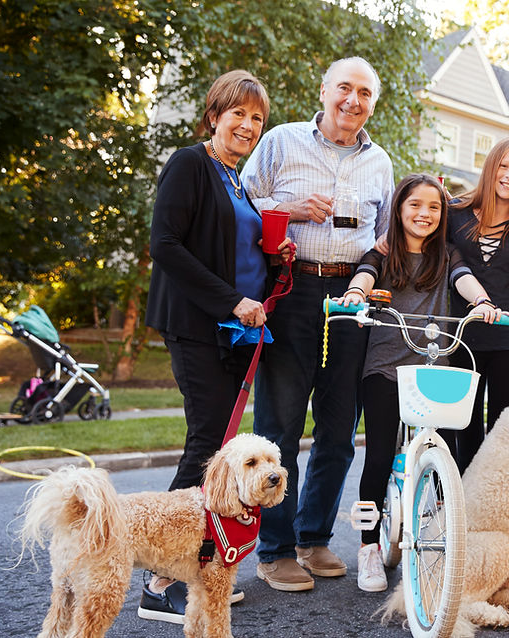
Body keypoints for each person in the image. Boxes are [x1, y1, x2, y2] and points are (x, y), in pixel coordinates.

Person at [239, 57, 395, 592]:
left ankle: (313, 537)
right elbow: (238, 201)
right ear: (324, 90)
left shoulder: (381, 162)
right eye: (345, 89)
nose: (354, 100)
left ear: (375, 102)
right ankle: (275, 549)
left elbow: (387, 235)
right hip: (291, 287)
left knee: (338, 431)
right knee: (279, 428)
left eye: (365, 93)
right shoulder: (281, 140)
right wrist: (288, 208)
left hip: (353, 296)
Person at [143, 70, 286, 621]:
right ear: (214, 117)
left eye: (256, 118)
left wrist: (278, 254)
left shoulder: (236, 178)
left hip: (236, 330)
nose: (247, 126)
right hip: (199, 324)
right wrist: (231, 300)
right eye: (238, 114)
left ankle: (196, 568)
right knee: (208, 443)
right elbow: (166, 245)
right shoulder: (190, 164)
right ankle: (160, 579)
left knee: (219, 447)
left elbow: (233, 246)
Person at [335, 174, 503, 592]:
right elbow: (364, 276)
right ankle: (369, 547)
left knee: (449, 448)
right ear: (399, 209)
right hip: (386, 369)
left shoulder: (447, 255)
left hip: (432, 369)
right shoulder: (384, 251)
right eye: (415, 205)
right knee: (376, 458)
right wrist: (356, 294)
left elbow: (464, 280)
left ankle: (443, 532)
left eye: (433, 207)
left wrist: (481, 302)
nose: (424, 214)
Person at [440, 136, 509, 473]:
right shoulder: (454, 212)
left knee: (503, 422)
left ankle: (495, 496)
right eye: (504, 165)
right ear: (491, 166)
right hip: (461, 333)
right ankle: (461, 494)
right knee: (462, 420)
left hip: (506, 336)